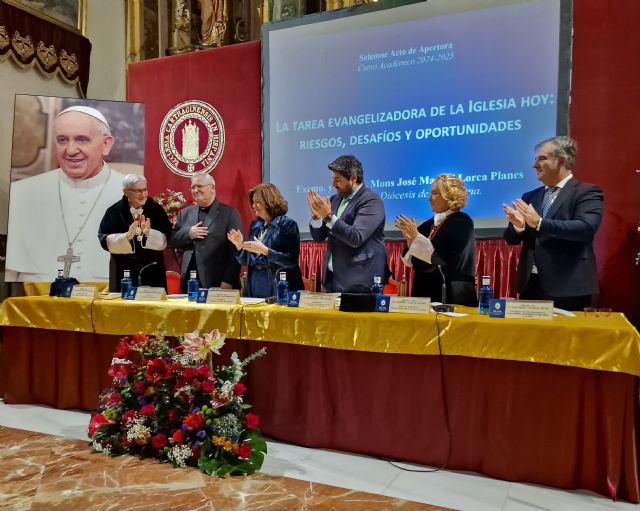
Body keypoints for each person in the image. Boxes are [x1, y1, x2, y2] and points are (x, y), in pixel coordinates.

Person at [5, 106, 125, 282]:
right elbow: (12, 274)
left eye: (82, 140)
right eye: (62, 140)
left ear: (105, 145)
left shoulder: (129, 194)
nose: (70, 150)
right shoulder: (23, 192)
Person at [503, 135, 604, 311]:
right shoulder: (530, 196)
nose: (535, 166)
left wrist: (540, 223)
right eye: (535, 160)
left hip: (569, 287)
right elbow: (511, 239)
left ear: (562, 160)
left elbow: (585, 228)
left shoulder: (586, 192)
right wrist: (519, 226)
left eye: (541, 159)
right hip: (531, 285)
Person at [307, 154, 387, 293]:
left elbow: (356, 237)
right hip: (334, 278)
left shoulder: (371, 201)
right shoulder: (335, 200)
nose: (333, 184)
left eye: (338, 179)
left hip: (360, 279)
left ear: (353, 178)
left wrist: (328, 216)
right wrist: (316, 218)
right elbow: (319, 237)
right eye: (333, 179)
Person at [396, 174, 477, 305]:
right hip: (423, 295)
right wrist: (411, 242)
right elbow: (412, 263)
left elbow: (441, 258)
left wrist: (416, 238)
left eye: (434, 193)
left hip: (451, 296)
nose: (429, 198)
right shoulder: (427, 224)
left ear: (449, 196)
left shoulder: (462, 222)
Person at [98, 175, 173, 292]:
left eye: (145, 190)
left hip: (152, 270)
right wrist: (125, 237)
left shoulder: (157, 210)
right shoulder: (113, 212)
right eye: (138, 191)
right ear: (126, 192)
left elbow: (168, 236)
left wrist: (150, 234)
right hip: (122, 269)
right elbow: (103, 239)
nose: (143, 195)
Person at [227, 183, 304, 298]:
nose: (253, 206)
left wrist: (266, 251)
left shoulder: (287, 224)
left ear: (270, 202)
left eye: (257, 202)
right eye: (253, 202)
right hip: (254, 285)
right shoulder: (255, 225)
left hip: (278, 286)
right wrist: (239, 247)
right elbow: (245, 261)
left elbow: (291, 261)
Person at [169, 174, 243, 291]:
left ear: (212, 188)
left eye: (199, 186)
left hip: (217, 283)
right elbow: (172, 241)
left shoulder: (229, 213)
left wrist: (227, 282)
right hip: (189, 282)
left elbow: (236, 252)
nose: (195, 190)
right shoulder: (184, 213)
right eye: (193, 187)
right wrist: (189, 233)